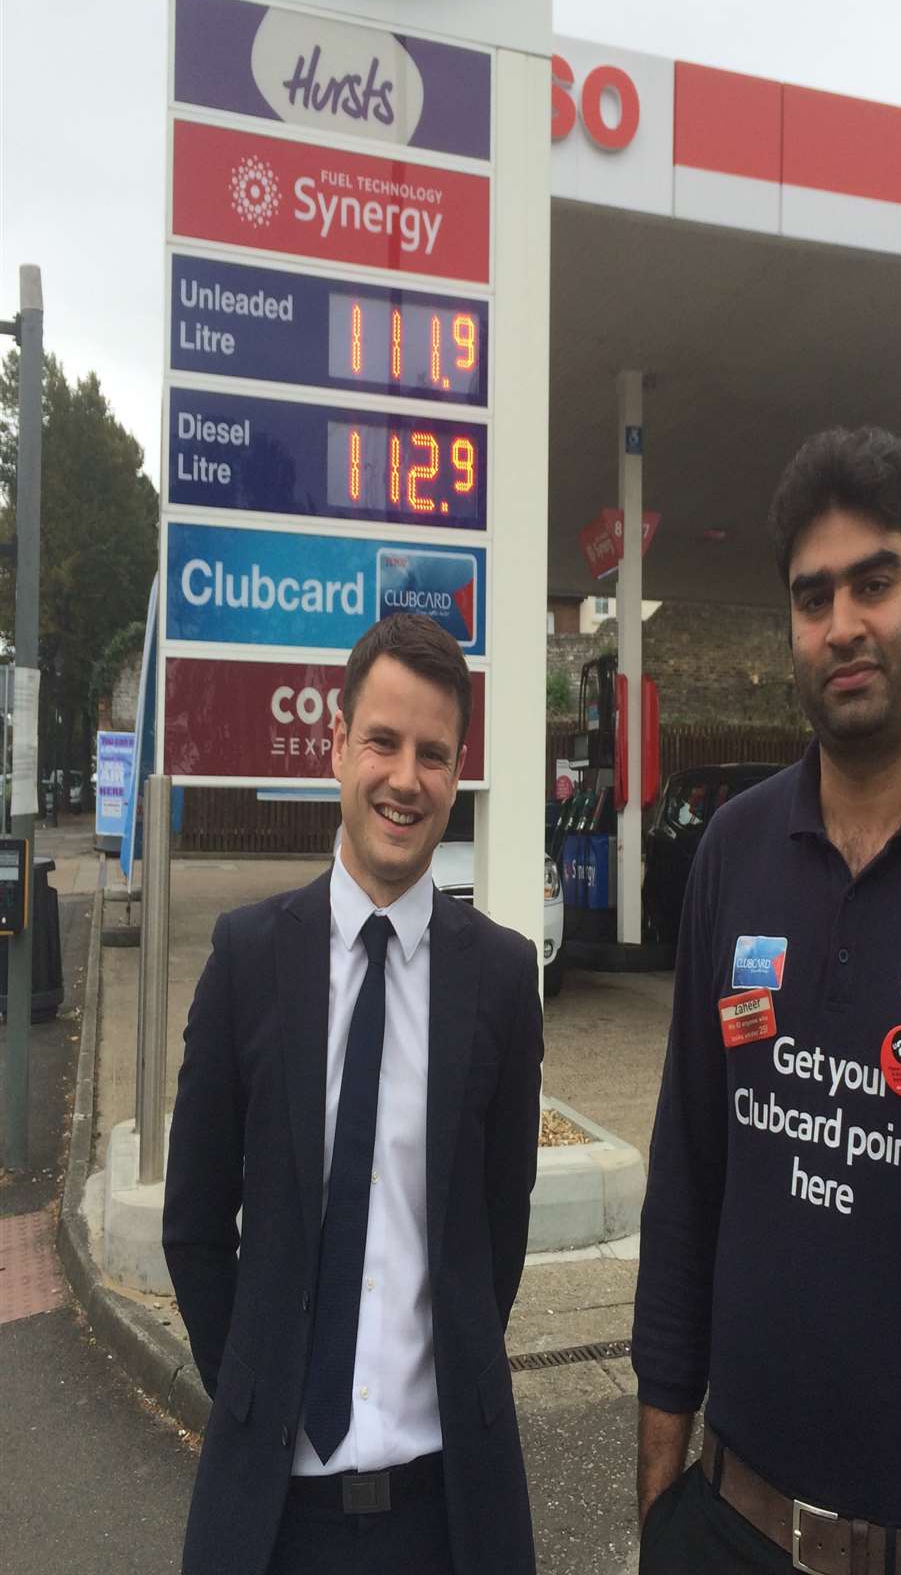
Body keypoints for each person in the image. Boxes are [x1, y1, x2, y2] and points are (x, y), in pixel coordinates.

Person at [632, 425, 901, 1575]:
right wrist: (657, 1498)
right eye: (812, 596)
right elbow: (689, 1167)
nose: (842, 624)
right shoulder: (734, 853)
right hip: (729, 1526)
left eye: (874, 582)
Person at [164, 613, 543, 1575]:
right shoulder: (247, 958)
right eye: (382, 741)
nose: (404, 778)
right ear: (337, 747)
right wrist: (253, 1390)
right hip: (274, 1520)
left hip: (448, 1516)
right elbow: (196, 1224)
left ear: (457, 774)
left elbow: (499, 1235)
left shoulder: (501, 978)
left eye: (433, 754)